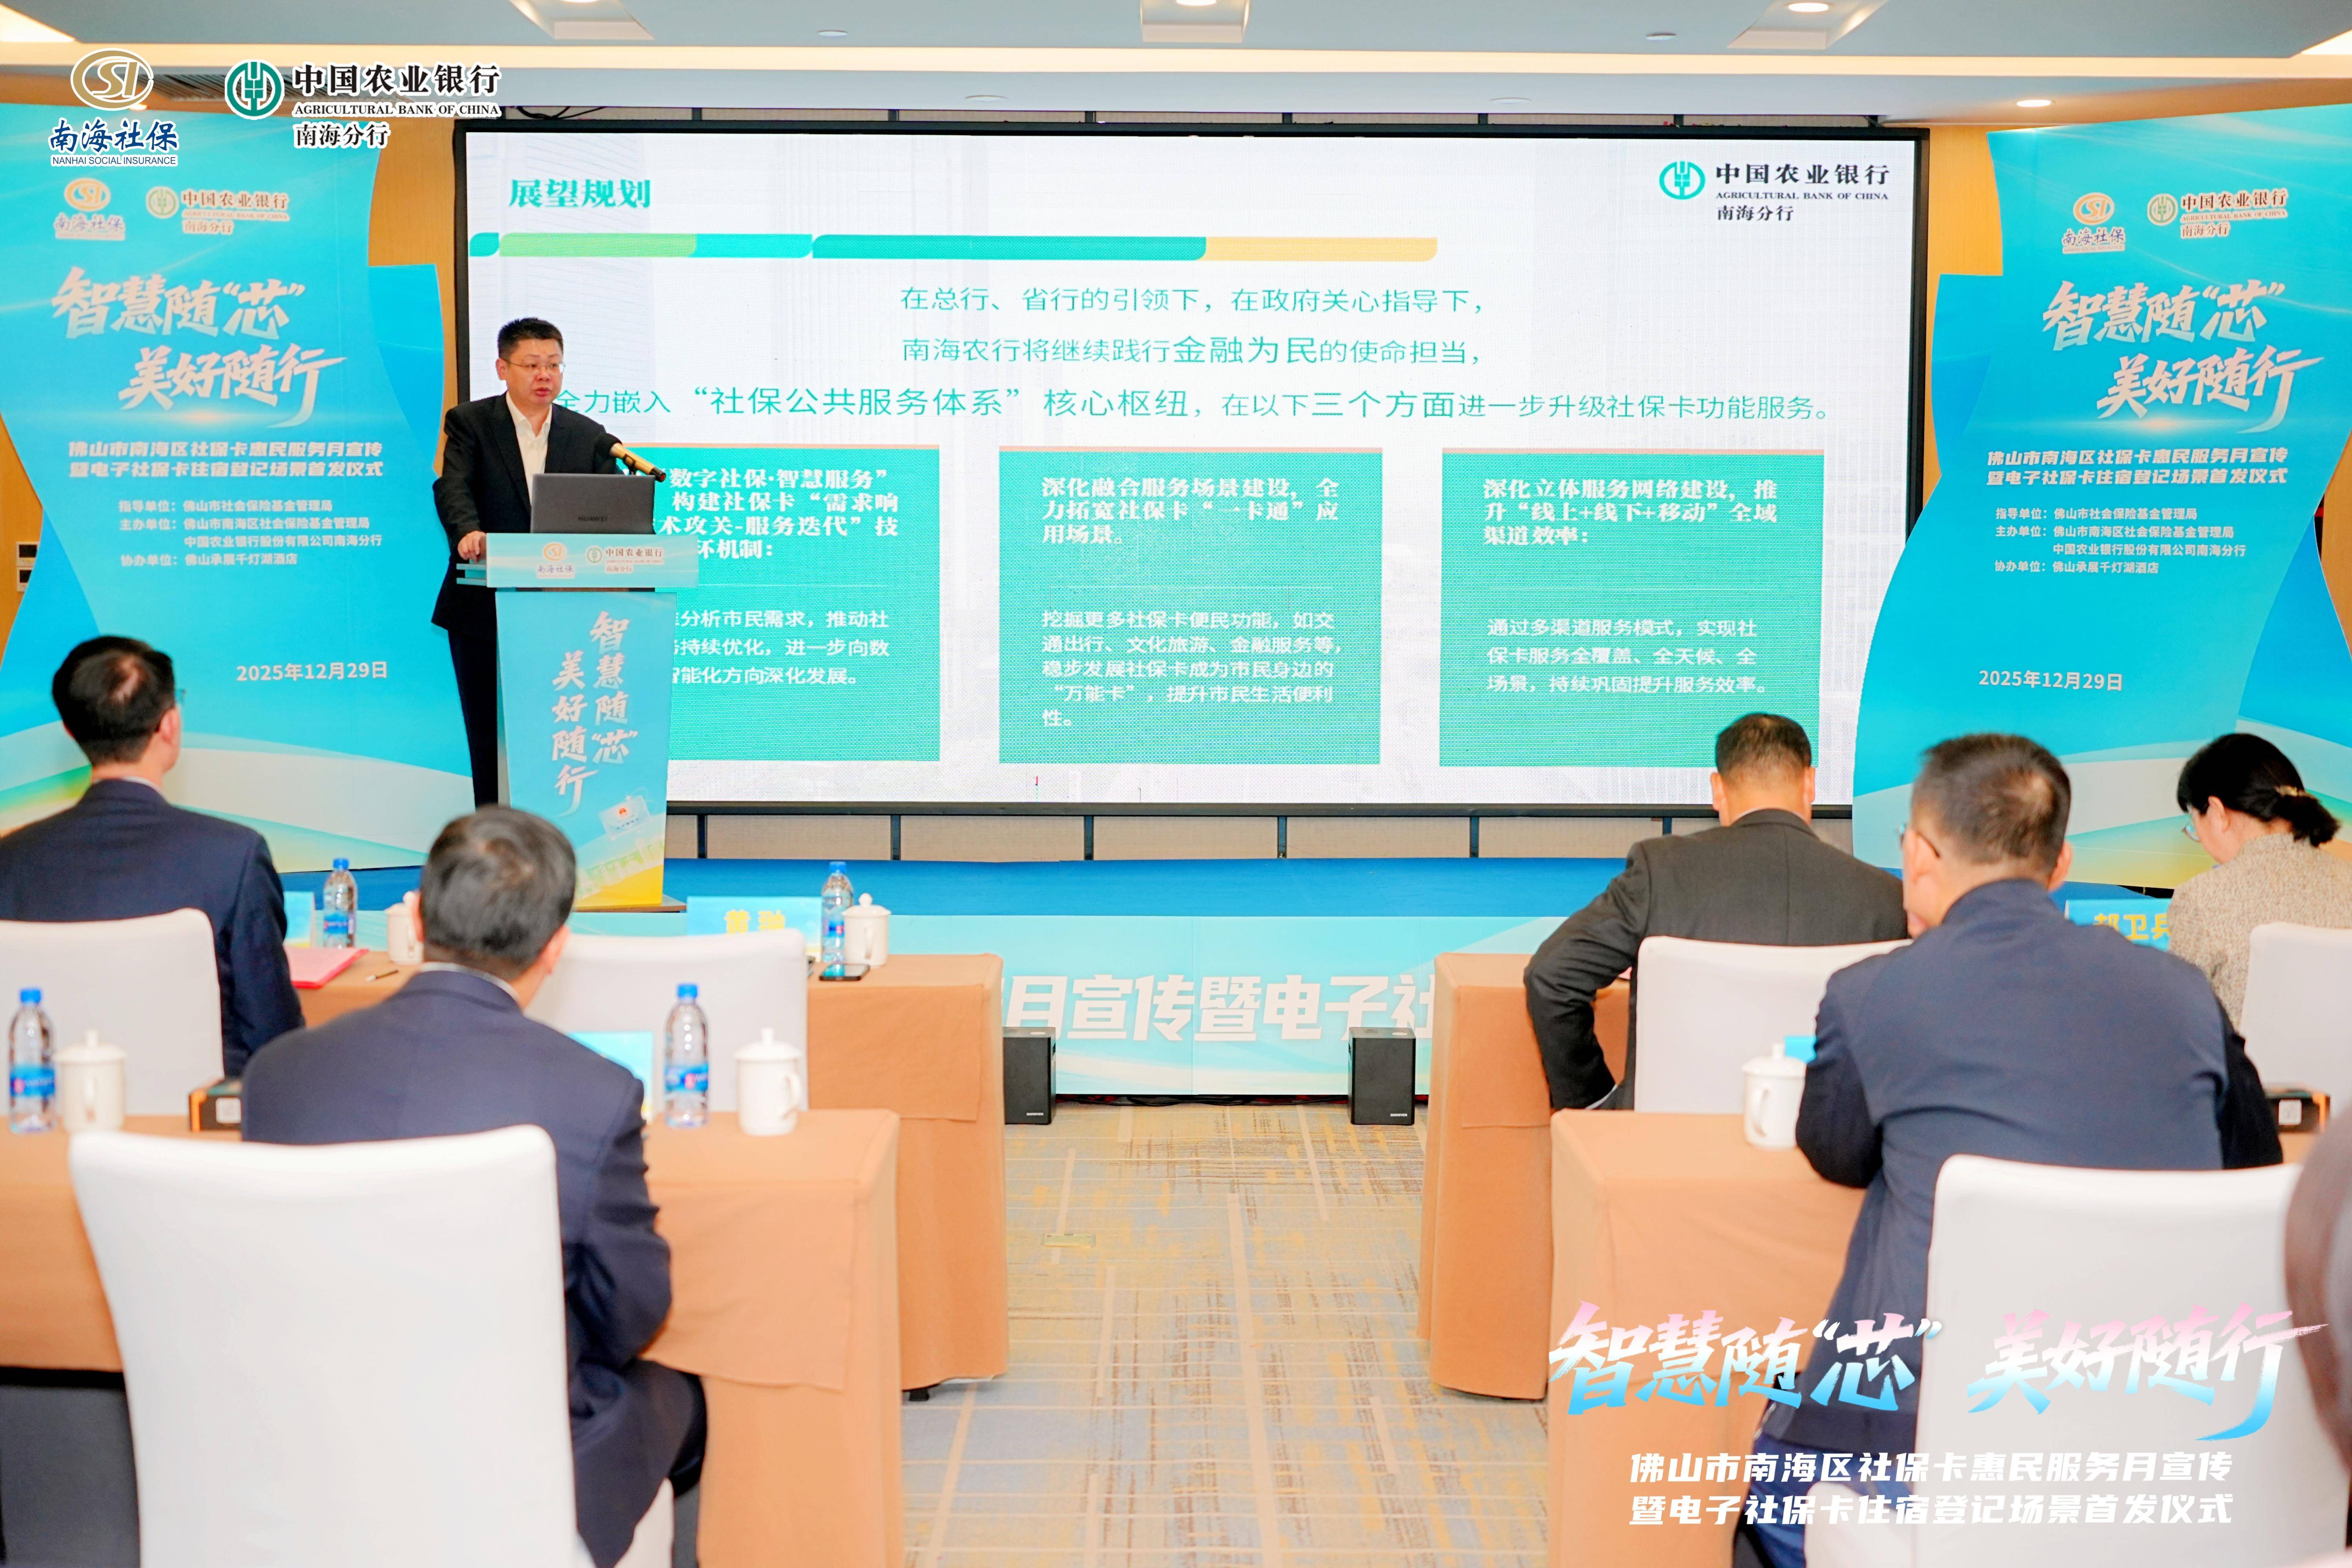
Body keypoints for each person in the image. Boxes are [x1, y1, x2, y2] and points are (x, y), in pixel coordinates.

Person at [1740, 733, 2281, 1568]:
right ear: (2061, 864)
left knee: (1773, 1499)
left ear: (1919, 855)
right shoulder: (2184, 995)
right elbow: (2250, 1166)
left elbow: (1835, 1151)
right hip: (2159, 1431)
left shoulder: (1872, 993)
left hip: (1916, 1443)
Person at [241, 808, 701, 1568]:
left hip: (313, 1444)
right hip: (514, 1464)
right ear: (555, 946)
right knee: (682, 1392)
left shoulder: (280, 1074)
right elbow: (633, 1311)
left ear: (418, 919)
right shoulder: (594, 1093)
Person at [1524, 713, 1907, 1110]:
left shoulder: (1662, 871)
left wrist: (1595, 1106)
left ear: (1718, 789)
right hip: (1829, 1131)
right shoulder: (1885, 898)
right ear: (1810, 784)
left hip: (1669, 1129)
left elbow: (1552, 977)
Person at [0, 636, 301, 1077]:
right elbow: (275, 1036)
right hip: (200, 1111)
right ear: (170, 725)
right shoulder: (235, 857)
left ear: (69, 730)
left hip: (50, 1109)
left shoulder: (10, 861)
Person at [432, 317, 622, 806]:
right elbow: (453, 485)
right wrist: (468, 531)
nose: (545, 375)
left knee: (560, 727)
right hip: (485, 605)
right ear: (503, 368)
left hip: (567, 610)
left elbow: (618, 508)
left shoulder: (588, 435)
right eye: (533, 364)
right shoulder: (472, 422)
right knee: (489, 735)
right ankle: (493, 834)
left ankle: (560, 827)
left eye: (554, 365)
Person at [2168, 732, 2352, 1027]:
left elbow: (2178, 1023)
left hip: (2245, 1060)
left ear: (2217, 812)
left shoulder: (2202, 898)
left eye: (2194, 824)